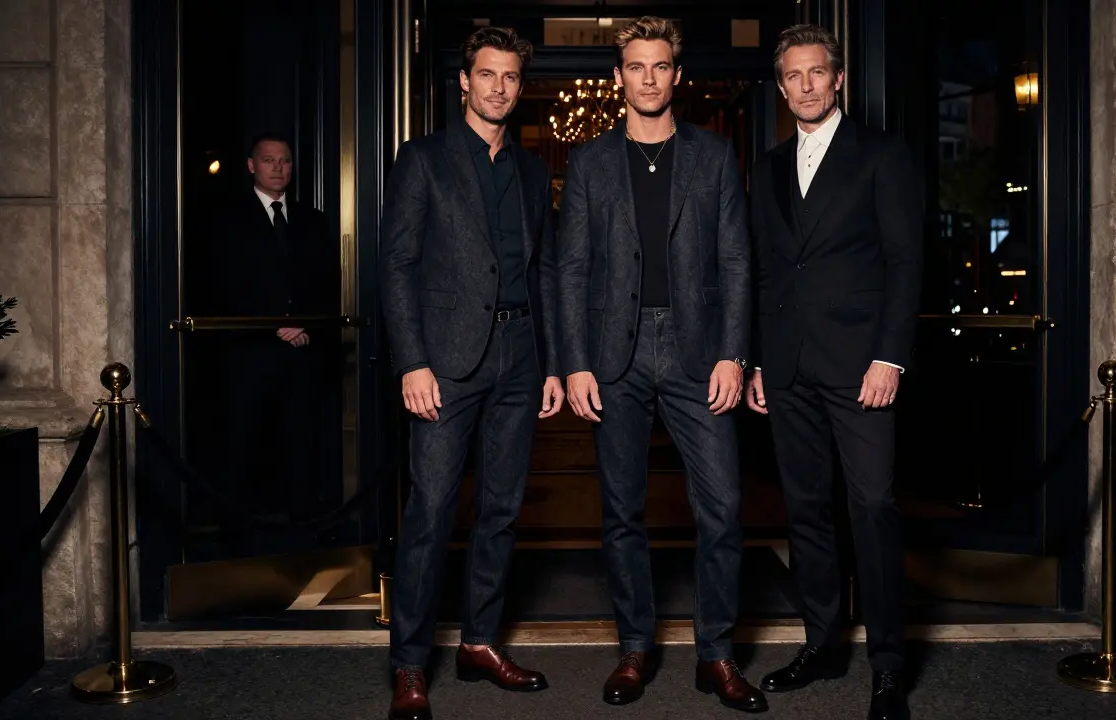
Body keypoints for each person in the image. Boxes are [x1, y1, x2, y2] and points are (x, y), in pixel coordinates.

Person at [557, 16, 764, 714]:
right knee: (621, 512)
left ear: (678, 75)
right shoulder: (588, 162)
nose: (648, 77)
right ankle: (635, 647)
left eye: (660, 65)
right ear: (618, 77)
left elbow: (738, 263)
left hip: (698, 350)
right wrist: (577, 362)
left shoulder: (713, 157)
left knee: (724, 508)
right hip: (613, 355)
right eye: (636, 66)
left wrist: (736, 354)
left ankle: (717, 655)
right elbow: (571, 268)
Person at [378, 26, 565, 720]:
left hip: (520, 359)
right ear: (464, 81)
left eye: (511, 77)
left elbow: (541, 267)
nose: (498, 88)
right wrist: (413, 362)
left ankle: (481, 641)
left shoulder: (528, 167)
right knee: (429, 513)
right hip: (446, 367)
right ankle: (409, 664)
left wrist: (547, 362)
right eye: (487, 75)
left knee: (501, 511)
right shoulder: (422, 159)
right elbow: (396, 264)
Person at [745, 24, 922, 720]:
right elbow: (765, 269)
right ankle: (824, 645)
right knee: (808, 512)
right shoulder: (766, 164)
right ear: (782, 85)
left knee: (872, 508)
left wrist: (890, 355)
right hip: (787, 367)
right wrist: (758, 358)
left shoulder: (881, 154)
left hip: (861, 367)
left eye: (817, 72)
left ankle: (887, 666)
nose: (806, 85)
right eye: (793, 76)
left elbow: (907, 262)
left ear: (838, 77)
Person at [205, 131, 341, 552]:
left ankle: (305, 534)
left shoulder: (314, 220)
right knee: (244, 445)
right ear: (251, 166)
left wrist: (304, 325)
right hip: (249, 355)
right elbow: (222, 285)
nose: (278, 167)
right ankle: (239, 538)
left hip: (304, 354)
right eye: (269, 160)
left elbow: (327, 283)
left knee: (302, 442)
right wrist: (274, 326)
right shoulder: (226, 220)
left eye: (284, 160)